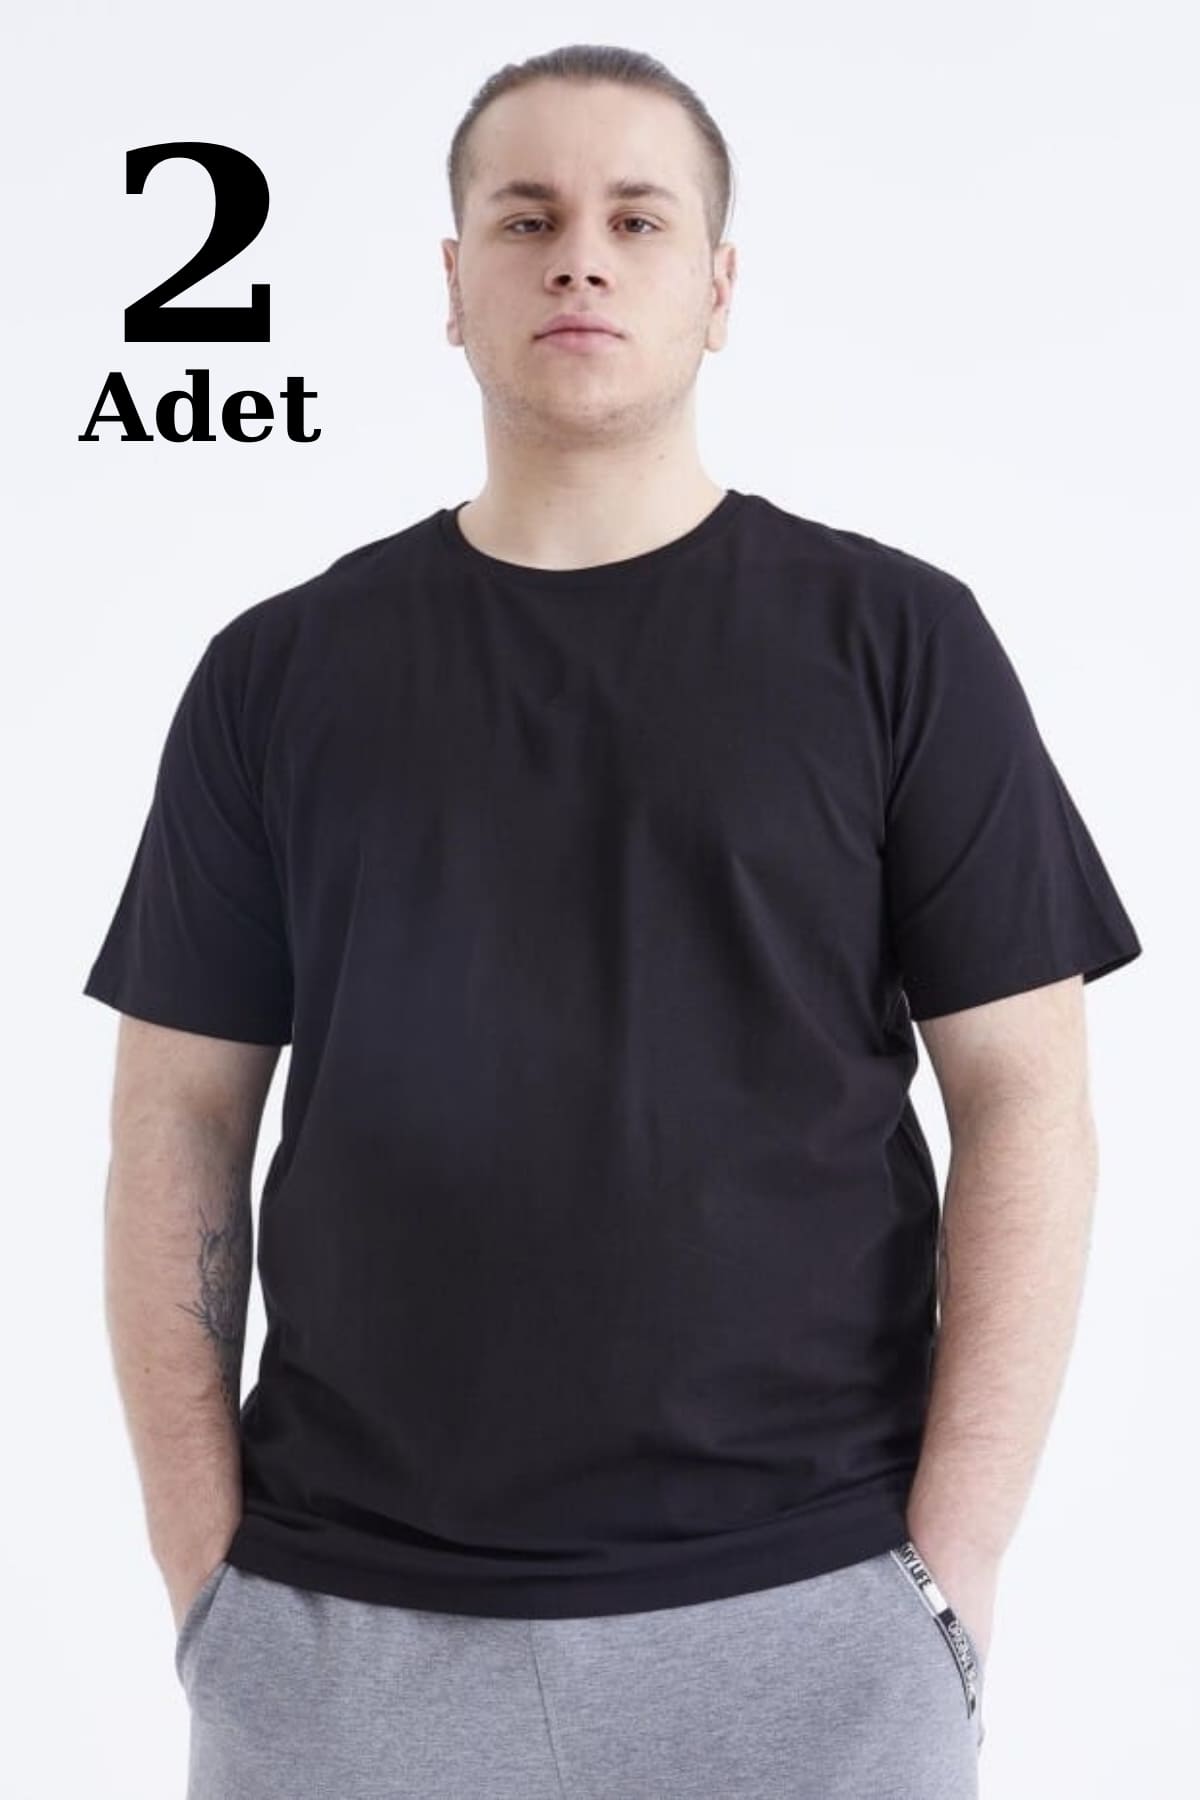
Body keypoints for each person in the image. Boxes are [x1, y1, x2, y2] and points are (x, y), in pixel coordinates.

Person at [83, 42, 1142, 1800]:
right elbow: (177, 1116)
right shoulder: (279, 674)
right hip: (346, 1636)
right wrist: (213, 1590)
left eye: (638, 220)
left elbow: (1029, 1098)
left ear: (718, 288)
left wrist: (945, 1581)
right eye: (528, 217)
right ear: (453, 284)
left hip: (810, 1618)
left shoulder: (899, 644)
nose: (581, 256)